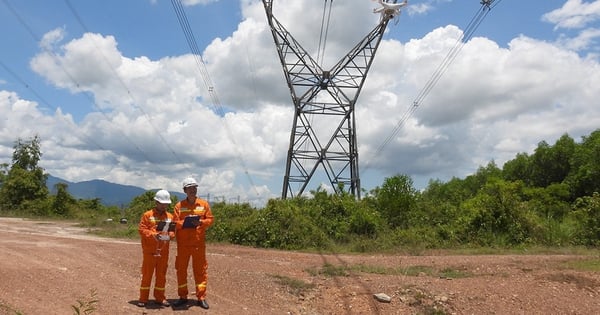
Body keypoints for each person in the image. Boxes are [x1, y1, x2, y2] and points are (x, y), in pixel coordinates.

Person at [172, 177, 214, 309]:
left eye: (194, 187)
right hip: (183, 245)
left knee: (200, 271)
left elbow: (210, 219)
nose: (193, 190)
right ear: (185, 190)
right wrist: (184, 223)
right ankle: (182, 297)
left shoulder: (204, 204)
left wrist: (201, 222)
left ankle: (201, 297)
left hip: (198, 245)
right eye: (190, 188)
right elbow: (174, 223)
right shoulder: (179, 206)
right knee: (181, 271)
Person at [137, 189, 175, 308]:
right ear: (156, 202)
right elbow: (142, 230)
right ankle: (143, 299)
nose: (164, 206)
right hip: (150, 251)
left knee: (161, 275)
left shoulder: (170, 216)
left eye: (166, 204)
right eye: (162, 203)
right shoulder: (147, 215)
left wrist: (169, 236)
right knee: (147, 274)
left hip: (163, 251)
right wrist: (154, 235)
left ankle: (160, 298)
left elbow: (172, 231)